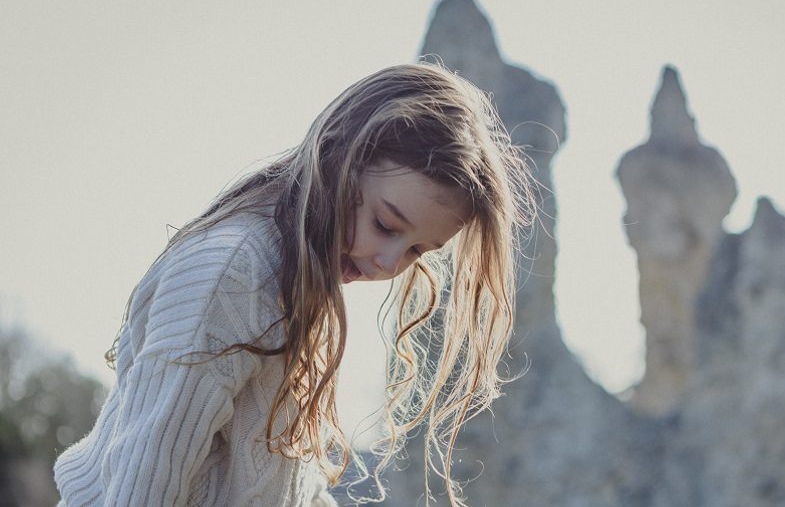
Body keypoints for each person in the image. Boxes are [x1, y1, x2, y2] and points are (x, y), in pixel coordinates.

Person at [53, 62, 533, 506]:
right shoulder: (231, 275)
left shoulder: (296, 278)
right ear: (338, 156)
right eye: (385, 225)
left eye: (417, 251)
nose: (388, 262)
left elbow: (276, 481)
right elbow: (146, 480)